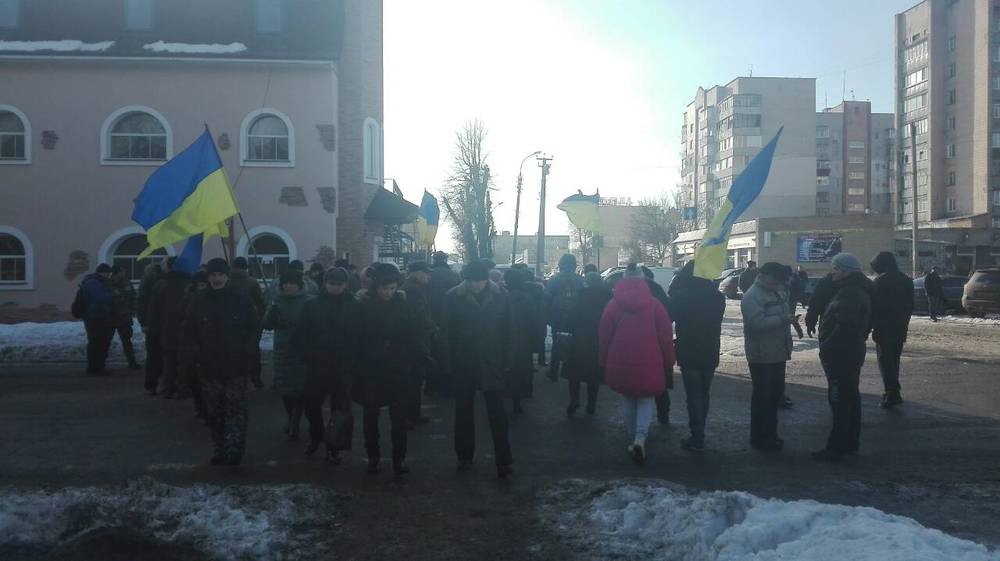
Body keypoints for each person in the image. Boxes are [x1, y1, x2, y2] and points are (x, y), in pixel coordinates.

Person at [182, 258, 260, 466]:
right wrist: (197, 354)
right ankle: (219, 447)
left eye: (220, 275)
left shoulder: (240, 298)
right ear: (208, 277)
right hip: (209, 366)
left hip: (236, 364)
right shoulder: (199, 300)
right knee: (214, 410)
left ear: (227, 276)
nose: (217, 279)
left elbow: (254, 327)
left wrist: (247, 351)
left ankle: (234, 449)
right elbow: (189, 330)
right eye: (213, 275)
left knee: (235, 410)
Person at [598, 264, 675, 464]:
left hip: (620, 358)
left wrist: (602, 359)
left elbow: (604, 336)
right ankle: (640, 438)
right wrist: (669, 360)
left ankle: (632, 437)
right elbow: (666, 336)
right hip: (650, 359)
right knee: (645, 399)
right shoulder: (655, 304)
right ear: (643, 280)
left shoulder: (613, 305)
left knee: (628, 398)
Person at [446, 260, 514, 478]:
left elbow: (509, 330)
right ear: (465, 279)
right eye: (471, 281)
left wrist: (507, 359)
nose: (475, 285)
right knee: (463, 413)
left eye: (480, 280)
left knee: (498, 414)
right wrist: (448, 363)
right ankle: (464, 457)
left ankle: (504, 461)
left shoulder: (502, 296)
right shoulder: (453, 297)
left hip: (492, 361)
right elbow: (446, 333)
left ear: (487, 279)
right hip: (463, 362)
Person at [354, 263, 416, 477]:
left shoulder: (402, 305)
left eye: (391, 288)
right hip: (371, 369)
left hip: (397, 369)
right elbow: (357, 338)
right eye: (384, 288)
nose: (388, 292)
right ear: (376, 287)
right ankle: (373, 457)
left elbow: (411, 335)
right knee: (371, 417)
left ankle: (399, 459)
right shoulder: (364, 307)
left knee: (398, 419)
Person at [294, 267, 360, 463]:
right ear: (325, 284)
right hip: (317, 364)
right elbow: (301, 333)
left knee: (339, 410)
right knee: (311, 405)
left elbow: (359, 336)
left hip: (342, 366)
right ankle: (316, 436)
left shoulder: (354, 306)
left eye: (339, 284)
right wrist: (307, 355)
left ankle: (334, 446)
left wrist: (352, 361)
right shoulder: (312, 305)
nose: (335, 288)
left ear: (346, 285)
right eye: (332, 284)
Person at [813, 253, 873, 462]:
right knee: (850, 398)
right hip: (850, 352)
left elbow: (845, 326)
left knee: (840, 400)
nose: (833, 273)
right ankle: (849, 442)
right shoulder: (855, 290)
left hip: (840, 355)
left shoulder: (850, 293)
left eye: (836, 269)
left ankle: (837, 447)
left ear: (846, 271)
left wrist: (827, 347)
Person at [668, 261, 726, 453]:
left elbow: (669, 316)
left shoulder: (681, 297)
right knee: (704, 392)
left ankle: (697, 435)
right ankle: (700, 432)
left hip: (689, 349)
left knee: (693, 395)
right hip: (710, 349)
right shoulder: (717, 297)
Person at [741, 262, 794, 452]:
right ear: (763, 276)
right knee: (763, 397)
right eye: (775, 280)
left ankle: (771, 434)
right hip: (761, 354)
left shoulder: (776, 291)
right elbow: (755, 323)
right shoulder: (752, 296)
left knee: (774, 396)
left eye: (779, 281)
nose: (777, 284)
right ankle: (759, 437)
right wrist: (783, 319)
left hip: (778, 351)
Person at [262, 270, 313, 441]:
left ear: (299, 284)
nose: (288, 286)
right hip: (282, 351)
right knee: (285, 389)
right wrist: (272, 314)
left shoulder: (309, 302)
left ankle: (294, 422)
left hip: (301, 351)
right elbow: (266, 324)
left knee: (299, 390)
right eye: (285, 283)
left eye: (292, 283)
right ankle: (291, 417)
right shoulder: (276, 301)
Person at [562, 271, 611, 416]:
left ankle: (574, 399)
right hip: (598, 340)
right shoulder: (607, 297)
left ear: (587, 282)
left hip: (578, 341)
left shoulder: (580, 296)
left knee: (574, 374)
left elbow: (570, 319)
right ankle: (591, 405)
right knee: (593, 376)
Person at [869, 251, 914, 409]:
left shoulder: (880, 281)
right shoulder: (906, 280)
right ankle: (893, 392)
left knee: (885, 361)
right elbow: (911, 305)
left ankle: (892, 393)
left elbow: (873, 307)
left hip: (883, 327)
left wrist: (869, 326)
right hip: (900, 326)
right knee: (894, 360)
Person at [146, 263, 192, 398]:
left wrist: (153, 327)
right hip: (186, 328)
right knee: (184, 361)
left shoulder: (161, 284)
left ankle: (167, 389)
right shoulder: (189, 284)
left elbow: (153, 309)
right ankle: (183, 389)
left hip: (167, 329)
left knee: (169, 360)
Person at [402, 261, 436, 426]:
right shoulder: (414, 290)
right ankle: (410, 416)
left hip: (412, 339)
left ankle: (413, 414)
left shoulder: (411, 287)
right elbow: (419, 316)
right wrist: (434, 328)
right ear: (415, 273)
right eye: (425, 272)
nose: (428, 275)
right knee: (413, 380)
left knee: (414, 381)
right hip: (415, 340)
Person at [503, 268, 539, 415]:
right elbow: (533, 321)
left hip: (504, 339)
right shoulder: (527, 298)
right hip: (524, 340)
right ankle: (519, 399)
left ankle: (503, 395)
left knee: (506, 369)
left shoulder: (501, 297)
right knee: (522, 370)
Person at [228, 257, 267, 389]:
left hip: (231, 321)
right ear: (246, 267)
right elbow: (260, 302)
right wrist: (260, 318)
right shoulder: (252, 282)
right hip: (250, 321)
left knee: (233, 350)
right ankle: (256, 378)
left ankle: (236, 377)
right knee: (253, 350)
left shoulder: (227, 281)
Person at [545, 254, 585, 381]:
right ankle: (571, 370)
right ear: (574, 265)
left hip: (558, 316)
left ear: (560, 265)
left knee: (557, 343)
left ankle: (553, 371)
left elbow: (547, 298)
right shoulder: (580, 280)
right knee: (574, 343)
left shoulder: (553, 280)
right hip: (576, 316)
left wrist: (548, 317)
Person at [427, 251, 462, 395]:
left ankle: (433, 386)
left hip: (431, 317)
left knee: (432, 352)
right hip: (451, 318)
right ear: (445, 260)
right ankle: (450, 385)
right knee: (450, 351)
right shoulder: (454, 275)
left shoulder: (428, 275)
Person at [642, 266, 672, 424]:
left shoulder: (632, 293)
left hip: (638, 344)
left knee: (639, 379)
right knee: (660, 381)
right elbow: (668, 317)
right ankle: (663, 413)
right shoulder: (658, 291)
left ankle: (640, 421)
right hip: (658, 343)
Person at [179, 271, 210, 420]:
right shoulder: (189, 299)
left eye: (205, 284)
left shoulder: (212, 298)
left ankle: (207, 408)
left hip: (208, 345)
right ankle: (200, 407)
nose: (202, 287)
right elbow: (182, 320)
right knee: (194, 379)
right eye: (200, 285)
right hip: (192, 345)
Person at [79, 263, 115, 375]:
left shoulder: (96, 282)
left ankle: (97, 367)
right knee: (97, 343)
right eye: (108, 273)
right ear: (102, 272)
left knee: (99, 342)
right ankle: (95, 368)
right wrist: (112, 295)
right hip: (94, 317)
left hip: (97, 316)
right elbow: (99, 297)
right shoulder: (93, 282)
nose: (109, 275)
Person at [137, 260, 167, 392]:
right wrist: (143, 322)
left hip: (154, 321)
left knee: (155, 354)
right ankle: (153, 384)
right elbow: (142, 301)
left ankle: (152, 384)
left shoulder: (153, 279)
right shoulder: (152, 279)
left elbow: (141, 301)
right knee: (156, 353)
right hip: (154, 322)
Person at [109, 265, 141, 370]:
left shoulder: (127, 282)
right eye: (122, 271)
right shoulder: (108, 283)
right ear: (117, 272)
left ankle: (132, 362)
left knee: (127, 340)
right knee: (106, 341)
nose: (124, 273)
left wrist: (132, 309)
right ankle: (99, 363)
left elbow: (134, 296)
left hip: (125, 317)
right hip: (111, 317)